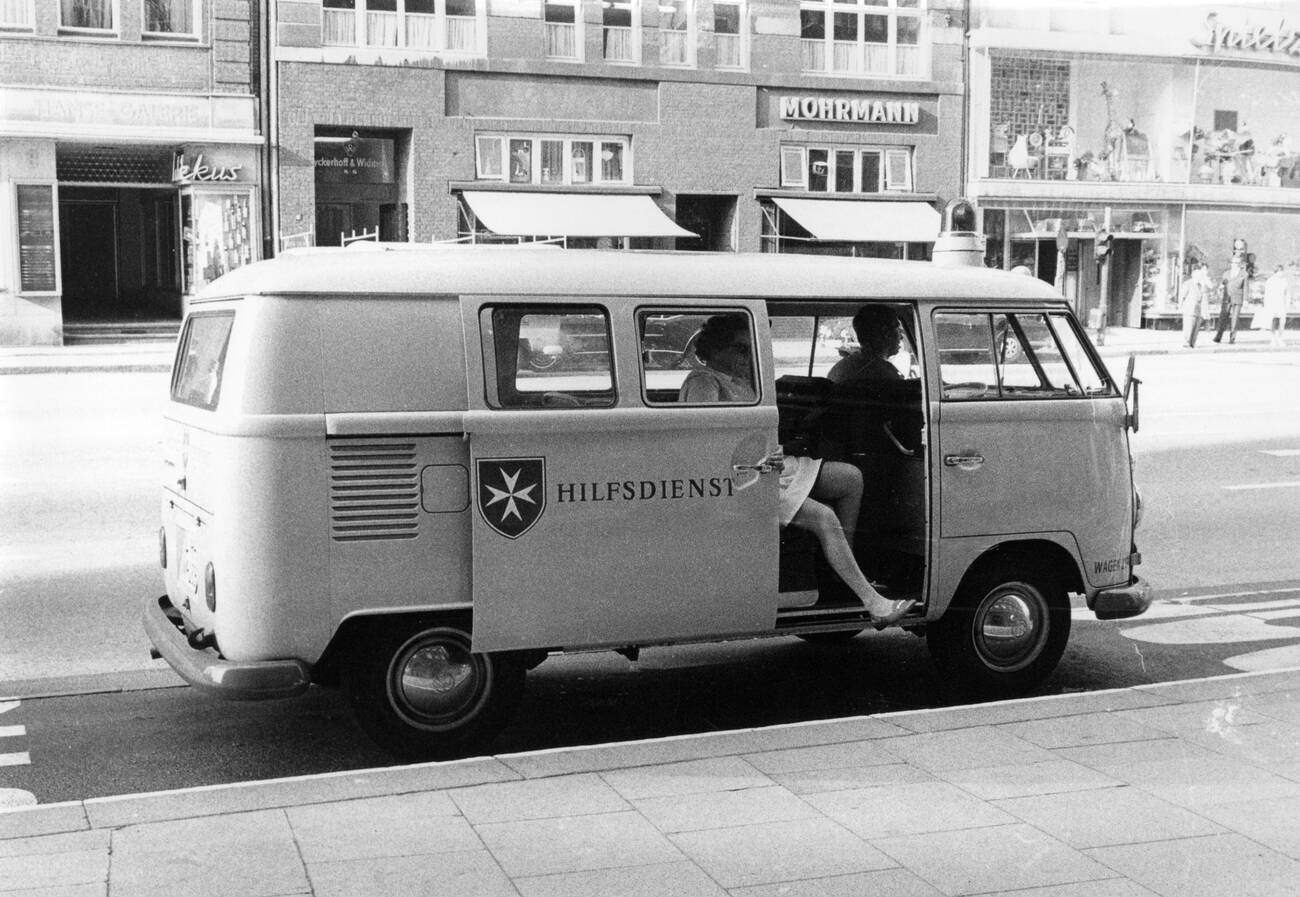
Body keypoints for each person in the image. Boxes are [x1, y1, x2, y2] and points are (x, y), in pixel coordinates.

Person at [680, 315, 915, 629]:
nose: (747, 357)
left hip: (765, 467)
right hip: (738, 480)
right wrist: (760, 458)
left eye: (751, 350)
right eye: (740, 349)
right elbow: (706, 445)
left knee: (850, 478)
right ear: (714, 349)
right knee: (824, 517)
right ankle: (873, 602)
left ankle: (841, 568)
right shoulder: (704, 382)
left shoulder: (743, 381)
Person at [827, 306, 903, 385]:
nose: (901, 337)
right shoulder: (885, 373)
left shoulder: (840, 367)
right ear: (886, 332)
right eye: (898, 330)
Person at [1214, 254, 1248, 343]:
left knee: (1235, 319)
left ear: (1240, 264)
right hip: (1227, 298)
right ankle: (1218, 336)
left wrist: (1245, 300)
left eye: (1237, 263)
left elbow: (1246, 288)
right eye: (1233, 262)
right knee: (1223, 317)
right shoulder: (1226, 273)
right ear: (1231, 263)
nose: (1235, 264)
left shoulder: (1244, 274)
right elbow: (1223, 283)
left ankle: (1232, 338)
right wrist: (1220, 287)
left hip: (1237, 298)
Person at [1179, 260, 1213, 348]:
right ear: (1193, 276)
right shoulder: (1188, 284)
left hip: (1198, 309)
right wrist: (1181, 307)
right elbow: (1182, 296)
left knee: (1196, 327)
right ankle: (1186, 343)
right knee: (1189, 327)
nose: (1200, 277)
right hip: (1189, 309)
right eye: (1198, 276)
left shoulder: (1201, 285)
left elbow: (1206, 293)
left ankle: (1192, 343)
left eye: (1200, 276)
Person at [1259, 265, 1291, 347]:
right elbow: (1267, 294)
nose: (1281, 273)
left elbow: (1287, 293)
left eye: (1282, 271)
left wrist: (1288, 303)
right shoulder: (1270, 281)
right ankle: (1273, 339)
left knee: (1282, 322)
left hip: (1282, 304)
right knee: (1273, 322)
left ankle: (1280, 338)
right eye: (1279, 271)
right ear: (1275, 272)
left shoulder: (1284, 281)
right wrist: (1267, 305)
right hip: (1272, 304)